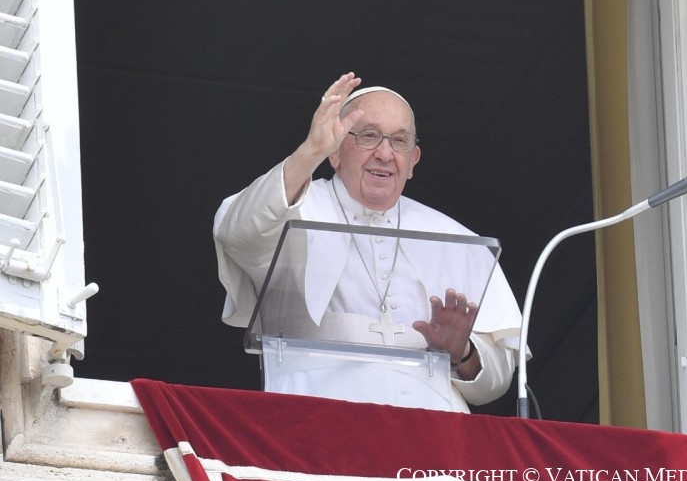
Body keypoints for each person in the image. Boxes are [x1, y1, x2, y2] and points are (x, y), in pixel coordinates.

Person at [213, 72, 526, 412]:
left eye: (399, 141)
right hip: (317, 416)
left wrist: (463, 353)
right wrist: (310, 151)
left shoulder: (458, 240)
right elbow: (239, 232)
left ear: (412, 162)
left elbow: (499, 380)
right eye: (368, 136)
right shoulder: (296, 207)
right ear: (335, 153)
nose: (384, 153)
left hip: (435, 435)